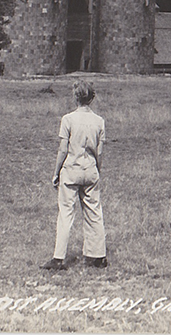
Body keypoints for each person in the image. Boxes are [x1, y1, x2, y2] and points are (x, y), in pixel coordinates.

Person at [42, 80, 106, 270]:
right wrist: (97, 170)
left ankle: (59, 257)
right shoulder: (99, 121)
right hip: (90, 169)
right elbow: (99, 152)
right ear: (91, 98)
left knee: (66, 214)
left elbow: (63, 149)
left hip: (71, 169)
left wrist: (56, 172)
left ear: (75, 97)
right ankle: (98, 255)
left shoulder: (68, 119)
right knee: (94, 212)